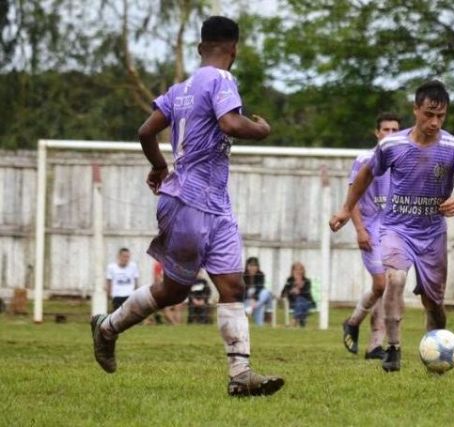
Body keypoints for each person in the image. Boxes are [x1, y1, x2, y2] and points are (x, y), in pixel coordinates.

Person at [89, 16, 283, 397]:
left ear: (199, 48)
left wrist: (160, 167)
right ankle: (107, 327)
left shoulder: (180, 89)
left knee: (230, 285)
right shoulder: (222, 79)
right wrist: (261, 128)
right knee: (175, 290)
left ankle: (240, 375)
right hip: (192, 200)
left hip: (211, 202)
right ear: (235, 49)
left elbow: (146, 131)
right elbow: (230, 123)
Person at [330, 80, 454, 372]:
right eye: (428, 114)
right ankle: (393, 349)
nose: (434, 122)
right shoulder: (392, 145)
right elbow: (364, 176)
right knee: (394, 279)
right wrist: (346, 209)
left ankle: (433, 353)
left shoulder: (453, 148)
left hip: (432, 233)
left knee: (434, 304)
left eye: (441, 116)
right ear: (415, 110)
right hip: (396, 228)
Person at [341, 112, 400, 360]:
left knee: (391, 287)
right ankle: (353, 322)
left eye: (395, 130)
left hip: (394, 231)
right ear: (377, 133)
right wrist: (360, 230)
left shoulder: (403, 161)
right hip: (370, 229)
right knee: (381, 284)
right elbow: (352, 196)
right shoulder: (365, 159)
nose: (390, 134)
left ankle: (374, 344)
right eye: (385, 130)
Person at [281, 262, 315, 327]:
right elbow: (283, 294)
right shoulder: (289, 280)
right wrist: (291, 290)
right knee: (299, 302)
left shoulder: (307, 281)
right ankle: (301, 320)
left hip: (307, 303)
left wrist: (300, 290)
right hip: (293, 304)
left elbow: (307, 294)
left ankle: (294, 320)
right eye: (296, 270)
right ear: (292, 271)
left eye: (300, 269)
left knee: (300, 300)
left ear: (303, 271)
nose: (298, 271)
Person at [243, 257, 272, 326]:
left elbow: (260, 288)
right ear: (247, 266)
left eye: (255, 265)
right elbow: (243, 291)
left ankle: (251, 309)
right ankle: (260, 326)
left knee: (265, 292)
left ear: (257, 267)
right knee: (260, 306)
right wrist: (250, 300)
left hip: (258, 299)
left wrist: (254, 299)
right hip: (248, 301)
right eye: (251, 265)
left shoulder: (260, 275)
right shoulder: (243, 276)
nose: (253, 268)